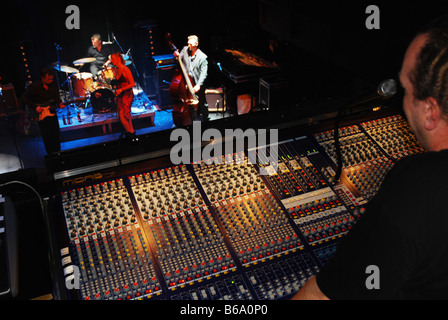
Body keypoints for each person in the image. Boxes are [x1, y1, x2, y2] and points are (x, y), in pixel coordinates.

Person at [292, 16, 448, 300]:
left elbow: (321, 297)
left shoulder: (421, 185)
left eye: (405, 90)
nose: (401, 101)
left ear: (430, 113)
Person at [22, 68, 65, 154]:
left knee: (56, 135)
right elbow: (24, 98)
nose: (50, 80)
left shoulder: (54, 86)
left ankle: (58, 154)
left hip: (52, 114)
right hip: (42, 116)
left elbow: (57, 98)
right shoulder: (35, 87)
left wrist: (60, 103)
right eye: (48, 79)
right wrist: (35, 106)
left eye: (51, 79)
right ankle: (51, 155)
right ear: (42, 78)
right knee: (47, 136)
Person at [174, 35, 209, 121]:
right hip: (186, 82)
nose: (189, 46)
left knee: (201, 103)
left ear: (196, 44)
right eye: (188, 44)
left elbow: (204, 73)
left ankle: (205, 119)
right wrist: (176, 57)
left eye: (191, 44)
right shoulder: (185, 50)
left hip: (196, 83)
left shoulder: (203, 57)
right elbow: (178, 63)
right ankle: (189, 119)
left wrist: (199, 84)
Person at [109, 52, 138, 143]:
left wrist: (121, 89)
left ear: (118, 59)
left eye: (113, 59)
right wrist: (116, 93)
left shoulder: (126, 69)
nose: (111, 60)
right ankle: (130, 132)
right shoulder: (117, 70)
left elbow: (132, 83)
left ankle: (132, 133)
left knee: (126, 114)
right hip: (120, 95)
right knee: (121, 115)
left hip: (127, 94)